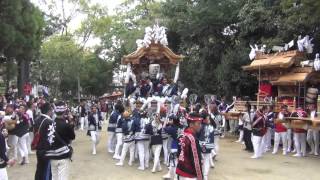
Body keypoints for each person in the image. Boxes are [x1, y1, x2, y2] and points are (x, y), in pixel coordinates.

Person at [46, 101, 75, 180]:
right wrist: (71, 122)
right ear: (64, 111)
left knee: (54, 177)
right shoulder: (66, 125)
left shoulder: (50, 124)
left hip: (52, 154)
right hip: (63, 154)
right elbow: (72, 137)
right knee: (63, 177)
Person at [176, 112, 203, 180]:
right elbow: (196, 160)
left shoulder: (182, 135)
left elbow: (178, 154)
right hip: (189, 174)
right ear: (191, 124)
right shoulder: (192, 139)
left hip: (180, 170)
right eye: (198, 123)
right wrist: (200, 177)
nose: (200, 126)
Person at [34, 102, 54, 180]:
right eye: (51, 110)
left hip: (38, 148)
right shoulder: (49, 121)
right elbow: (51, 138)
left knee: (39, 168)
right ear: (49, 111)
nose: (52, 112)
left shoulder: (37, 119)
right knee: (47, 171)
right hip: (47, 149)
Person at [162, 115, 182, 179]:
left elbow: (164, 129)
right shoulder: (180, 127)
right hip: (180, 146)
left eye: (170, 120)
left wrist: (165, 122)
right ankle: (170, 174)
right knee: (173, 163)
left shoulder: (172, 128)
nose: (169, 121)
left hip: (174, 146)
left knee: (174, 163)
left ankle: (176, 177)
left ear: (173, 121)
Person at [199, 114, 214, 180]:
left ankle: (202, 174)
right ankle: (205, 175)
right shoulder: (211, 127)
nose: (208, 120)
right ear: (204, 120)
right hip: (208, 145)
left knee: (202, 160)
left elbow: (197, 136)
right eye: (207, 119)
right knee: (206, 160)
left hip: (202, 145)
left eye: (208, 119)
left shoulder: (200, 126)